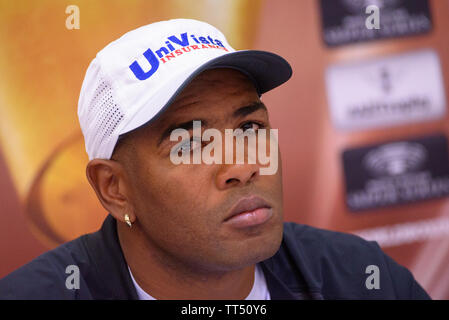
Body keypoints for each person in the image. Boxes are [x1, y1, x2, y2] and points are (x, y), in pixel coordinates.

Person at [0, 18, 430, 300]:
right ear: (115, 189)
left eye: (249, 130)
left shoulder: (363, 280)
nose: (243, 166)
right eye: (189, 144)